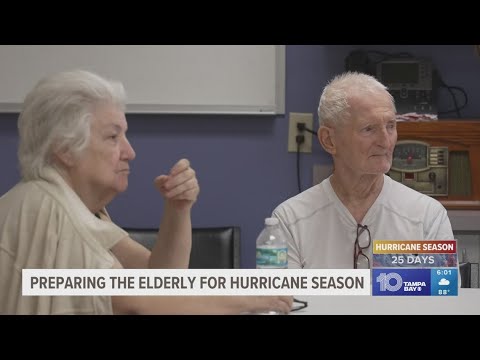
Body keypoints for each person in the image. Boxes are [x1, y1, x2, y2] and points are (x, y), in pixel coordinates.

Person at [0, 69, 292, 315]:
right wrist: (250, 298)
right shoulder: (46, 209)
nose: (130, 152)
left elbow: (161, 280)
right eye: (113, 137)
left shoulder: (77, 209)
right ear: (64, 148)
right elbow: (141, 301)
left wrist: (178, 209)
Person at [272, 72, 454, 269]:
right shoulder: (289, 221)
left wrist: (383, 282)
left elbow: (442, 288)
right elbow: (279, 299)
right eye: (369, 129)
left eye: (390, 126)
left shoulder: (427, 216)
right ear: (329, 140)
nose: (385, 142)